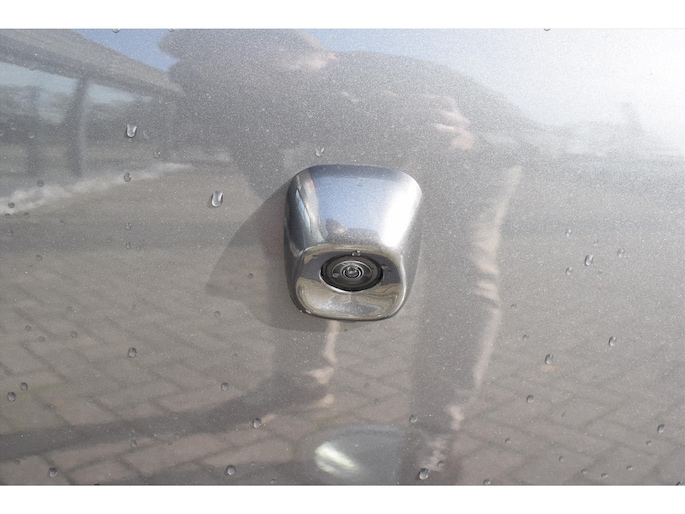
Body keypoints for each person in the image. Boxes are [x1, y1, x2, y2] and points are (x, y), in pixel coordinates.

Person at [160, 29, 551, 483]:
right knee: (300, 254)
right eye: (220, 67)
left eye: (263, 67)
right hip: (371, 163)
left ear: (315, 55)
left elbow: (539, 139)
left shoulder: (401, 72)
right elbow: (263, 168)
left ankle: (435, 426)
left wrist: (473, 140)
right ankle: (300, 382)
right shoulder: (234, 100)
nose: (250, 82)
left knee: (463, 277)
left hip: (467, 169)